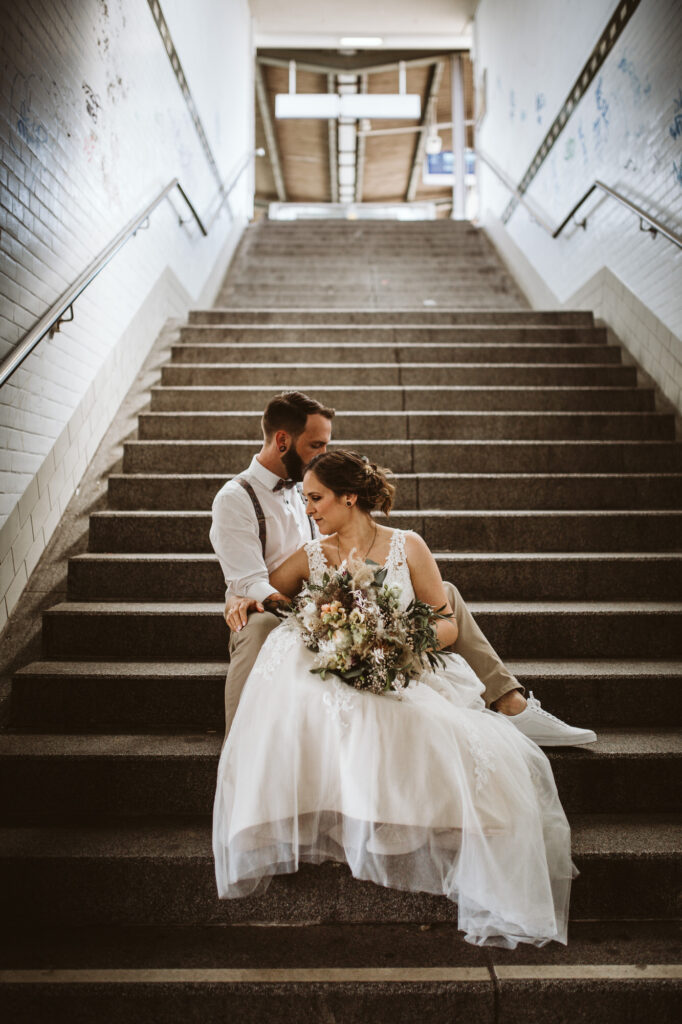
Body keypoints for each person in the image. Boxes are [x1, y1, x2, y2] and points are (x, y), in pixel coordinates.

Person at [213, 451, 576, 949]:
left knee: (429, 725)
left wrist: (395, 639)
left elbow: (446, 622)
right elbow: (264, 594)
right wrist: (243, 598)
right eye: (306, 499)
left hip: (400, 667)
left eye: (316, 498)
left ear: (349, 497)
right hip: (340, 668)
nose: (309, 509)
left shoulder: (408, 545)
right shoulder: (312, 554)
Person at [210, 391, 596, 746]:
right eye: (317, 445)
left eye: (325, 445)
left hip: (333, 599)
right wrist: (258, 601)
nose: (322, 454)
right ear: (282, 441)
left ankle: (510, 701)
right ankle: (243, 744)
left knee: (441, 594)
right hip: (271, 612)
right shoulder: (237, 498)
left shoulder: (305, 486)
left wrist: (382, 635)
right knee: (260, 623)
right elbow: (251, 582)